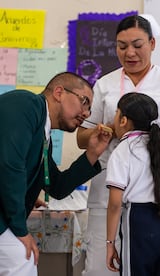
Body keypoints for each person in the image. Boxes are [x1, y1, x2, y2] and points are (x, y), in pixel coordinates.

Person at [76, 14, 160, 276]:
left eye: (137, 45)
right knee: (101, 268)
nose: (130, 53)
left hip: (153, 198)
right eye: (122, 47)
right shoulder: (104, 84)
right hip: (108, 194)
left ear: (152, 44)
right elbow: (81, 138)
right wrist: (101, 132)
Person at [0, 72, 112, 276]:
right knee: (22, 257)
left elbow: (57, 186)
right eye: (84, 102)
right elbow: (10, 166)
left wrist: (92, 154)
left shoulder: (44, 135)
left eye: (90, 109)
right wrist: (20, 229)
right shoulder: (26, 104)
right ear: (59, 92)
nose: (86, 114)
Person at [106, 92, 160, 275]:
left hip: (140, 221)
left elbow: (115, 204)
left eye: (116, 114)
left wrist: (110, 243)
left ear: (123, 120)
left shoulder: (122, 150)